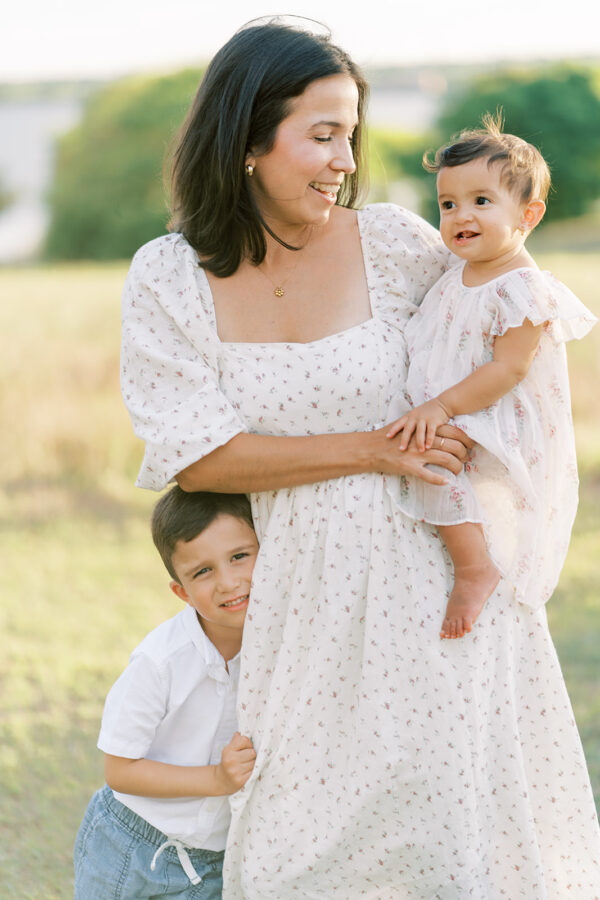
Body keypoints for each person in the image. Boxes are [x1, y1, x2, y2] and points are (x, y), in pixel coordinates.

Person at [120, 19, 600, 899]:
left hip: (437, 579)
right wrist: (376, 450)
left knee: (457, 836)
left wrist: (495, 493)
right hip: (298, 597)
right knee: (297, 849)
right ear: (248, 140)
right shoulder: (168, 277)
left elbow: (508, 324)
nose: (346, 159)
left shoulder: (393, 243)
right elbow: (200, 458)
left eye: (351, 133)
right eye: (322, 134)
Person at [386, 116, 597, 640]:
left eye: (482, 201)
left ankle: (474, 567)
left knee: (440, 472)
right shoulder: (454, 273)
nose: (461, 216)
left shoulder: (521, 287)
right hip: (455, 409)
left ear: (528, 214)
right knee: (431, 466)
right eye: (449, 204)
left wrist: (440, 407)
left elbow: (509, 368)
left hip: (489, 413)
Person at [73, 487, 258, 899]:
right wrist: (216, 778)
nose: (229, 582)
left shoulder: (279, 651)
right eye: (202, 572)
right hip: (130, 845)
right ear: (181, 591)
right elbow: (119, 770)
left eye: (240, 556)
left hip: (213, 860)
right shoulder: (161, 662)